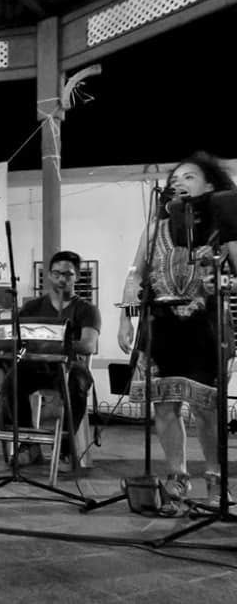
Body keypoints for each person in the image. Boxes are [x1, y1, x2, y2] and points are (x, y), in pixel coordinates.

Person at [119, 151, 237, 513]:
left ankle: (216, 483)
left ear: (210, 185)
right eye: (176, 179)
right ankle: (177, 480)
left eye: (189, 177)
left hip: (206, 324)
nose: (178, 183)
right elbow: (135, 273)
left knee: (207, 408)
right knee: (165, 406)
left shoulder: (224, 223)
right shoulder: (155, 229)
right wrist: (127, 316)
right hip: (162, 326)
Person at [2, 250, 100, 466]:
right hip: (36, 366)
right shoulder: (32, 307)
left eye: (68, 274)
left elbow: (88, 345)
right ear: (48, 275)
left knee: (78, 383)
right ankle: (29, 445)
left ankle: (64, 446)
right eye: (57, 274)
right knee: (11, 381)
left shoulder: (86, 310)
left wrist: (54, 343)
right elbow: (19, 338)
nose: (62, 279)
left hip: (69, 367)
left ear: (77, 277)